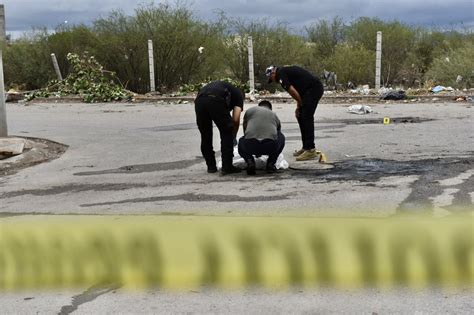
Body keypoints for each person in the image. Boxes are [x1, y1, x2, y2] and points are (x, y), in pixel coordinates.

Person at [266, 65, 324, 161]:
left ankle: (310, 149)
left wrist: (301, 104)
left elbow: (292, 91)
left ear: (273, 73)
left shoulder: (280, 74)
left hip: (314, 89)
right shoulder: (284, 71)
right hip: (307, 91)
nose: (274, 81)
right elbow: (298, 91)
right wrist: (298, 107)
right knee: (301, 115)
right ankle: (306, 147)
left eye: (271, 79)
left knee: (306, 116)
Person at [194, 81, 243, 174]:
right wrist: (233, 136)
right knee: (226, 132)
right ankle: (227, 167)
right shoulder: (239, 95)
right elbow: (236, 119)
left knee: (205, 135)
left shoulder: (224, 87)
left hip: (199, 101)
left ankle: (211, 167)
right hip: (216, 100)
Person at [238, 100, 285, 175]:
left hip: (250, 146)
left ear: (259, 106)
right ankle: (271, 164)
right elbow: (277, 132)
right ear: (270, 108)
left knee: (241, 140)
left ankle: (250, 162)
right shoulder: (273, 114)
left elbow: (245, 129)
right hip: (270, 146)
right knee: (281, 136)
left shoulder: (250, 111)